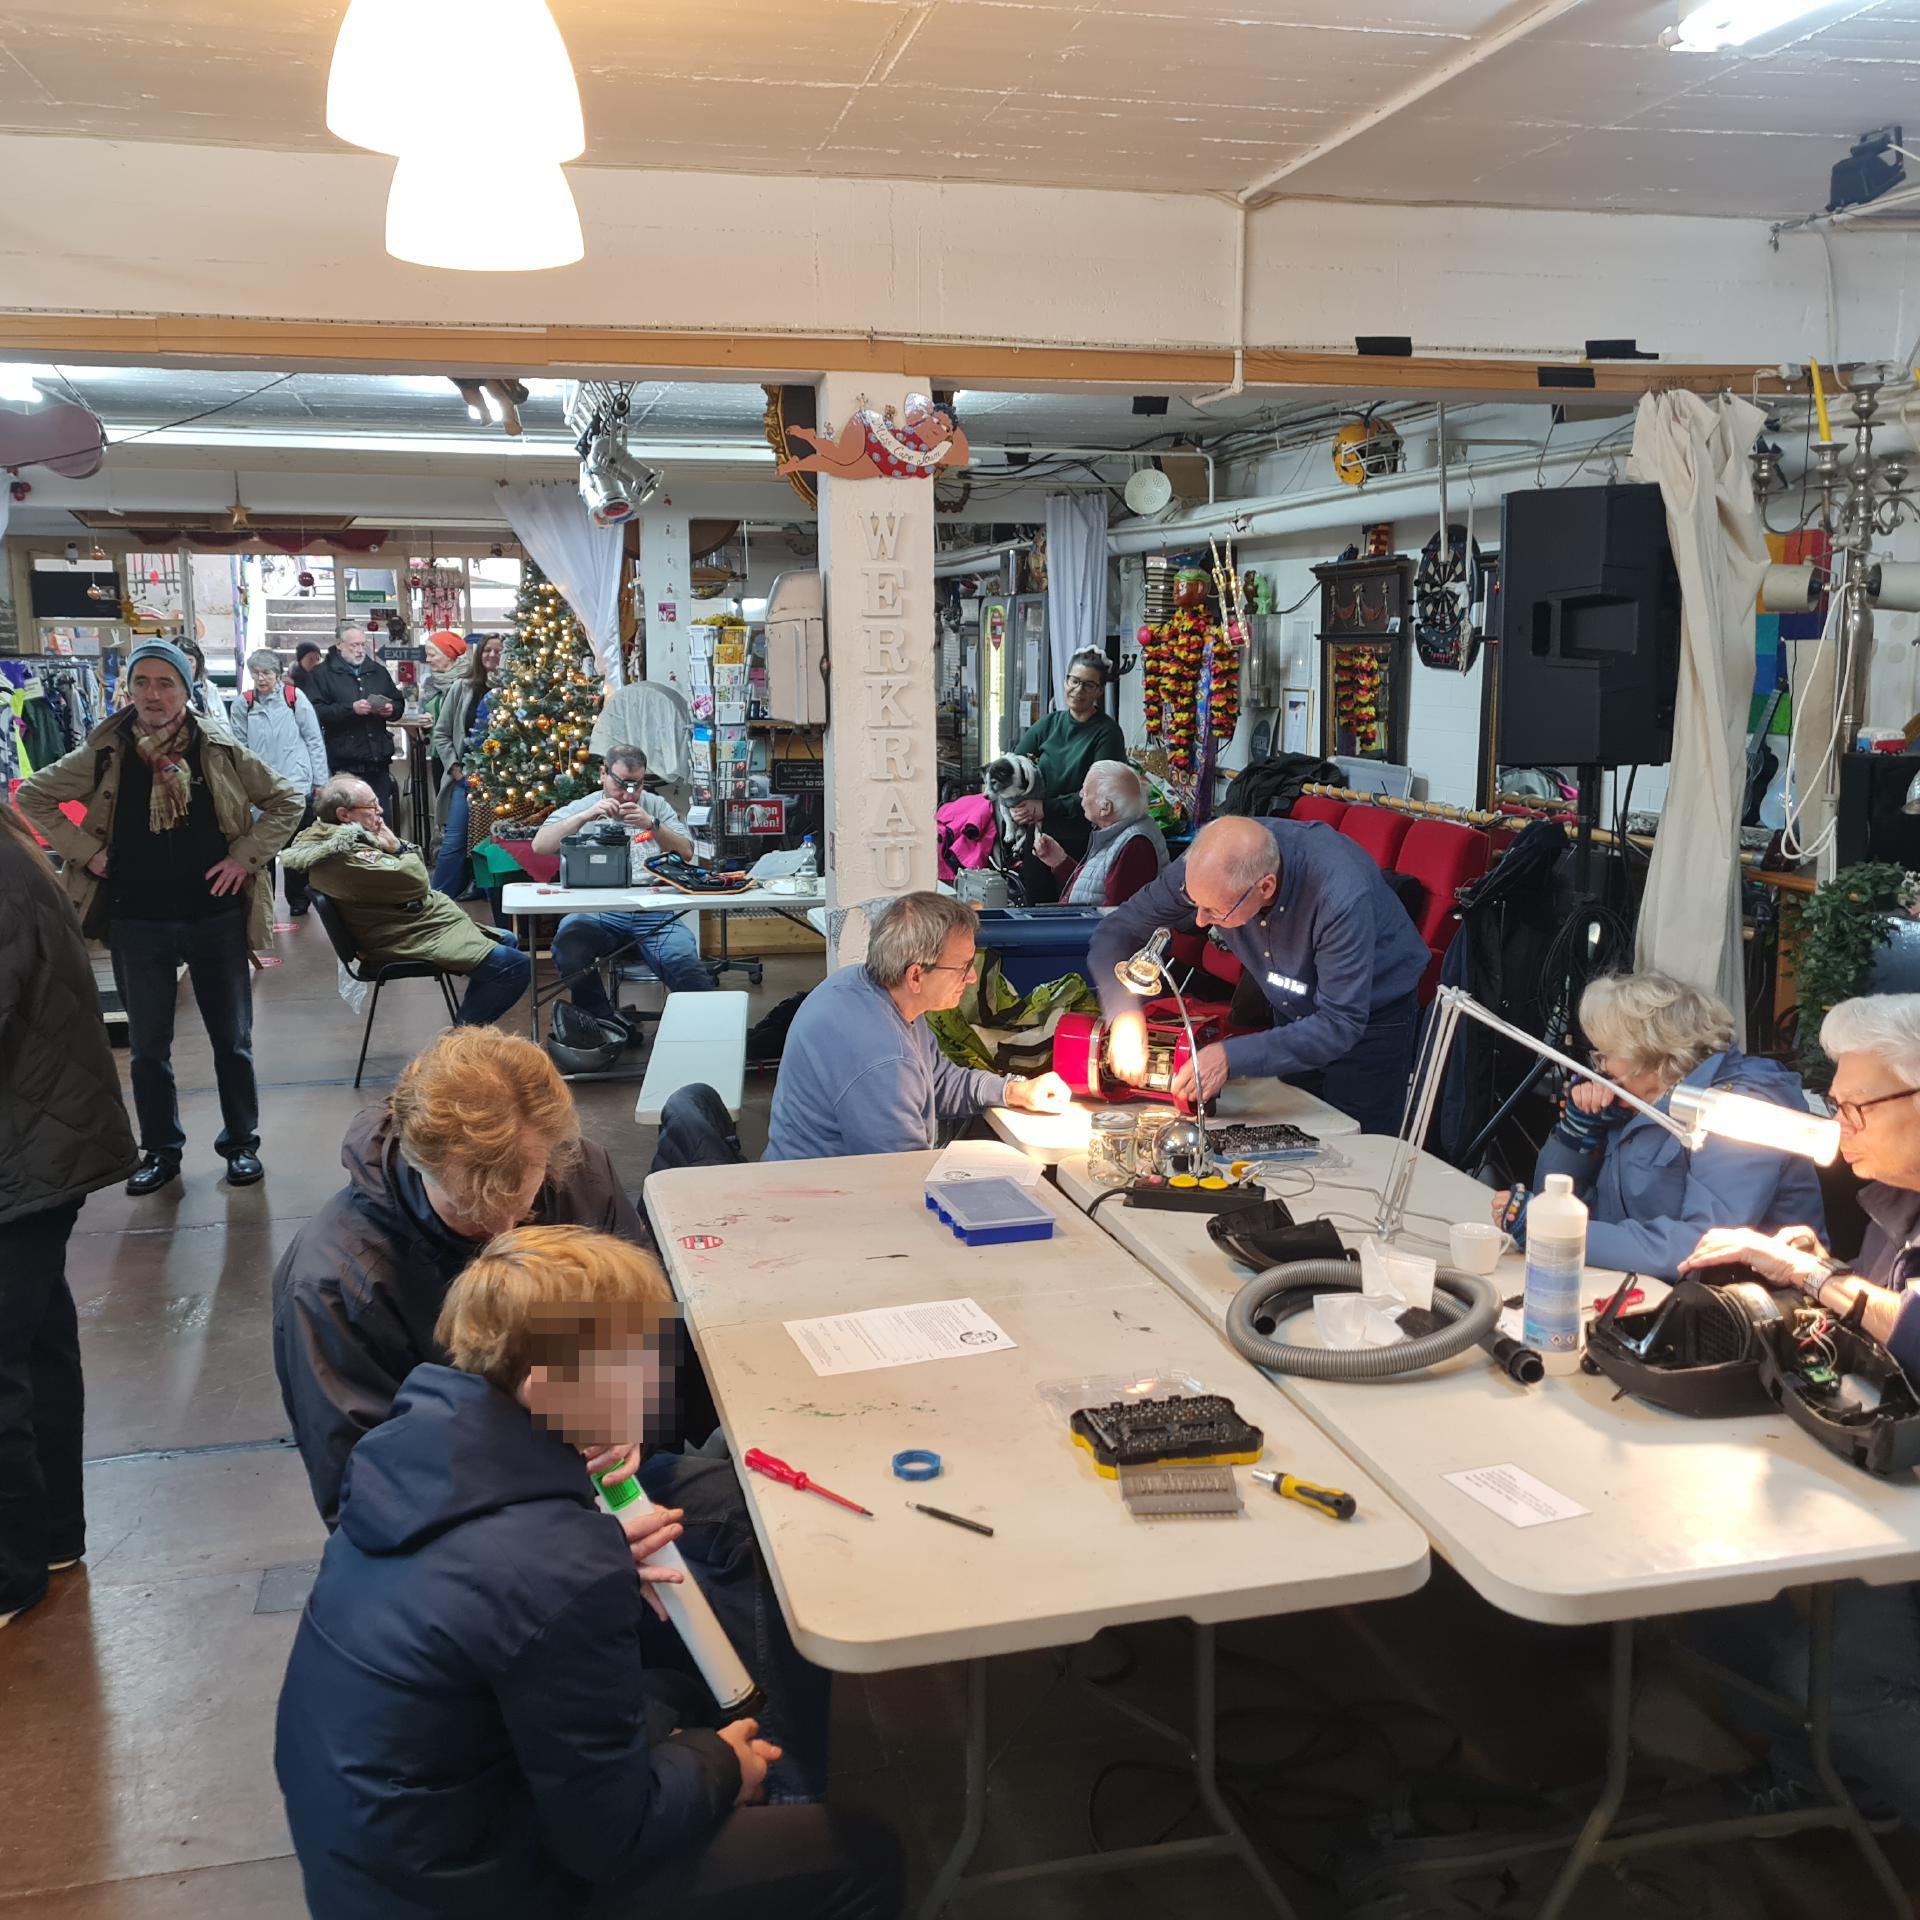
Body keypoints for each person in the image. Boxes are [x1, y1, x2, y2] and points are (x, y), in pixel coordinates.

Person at [274, 1224, 902, 1920]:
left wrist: (589, 1567)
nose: (654, 1382)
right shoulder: (558, 1570)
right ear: (547, 1388)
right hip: (462, 1894)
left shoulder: (409, 1452)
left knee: (674, 1693)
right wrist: (724, 1765)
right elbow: (610, 1841)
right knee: (861, 1854)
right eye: (635, 1364)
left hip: (376, 1856)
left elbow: (492, 1604)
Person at [271, 1027, 829, 1795]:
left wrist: (631, 1423)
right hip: (484, 1531)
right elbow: (363, 1503)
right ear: (419, 1158)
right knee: (675, 1577)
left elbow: (646, 1333)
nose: (505, 1234)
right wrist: (581, 1544)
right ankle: (743, 1776)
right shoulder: (335, 1284)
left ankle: (755, 1747)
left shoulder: (574, 1172)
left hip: (592, 1483)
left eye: (524, 1202)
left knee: (755, 1519)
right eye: (473, 1214)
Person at [1679, 991, 1920, 1827]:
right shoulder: (1895, 1198)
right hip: (1880, 1466)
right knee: (1709, 1590)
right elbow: (1886, 1313)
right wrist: (1831, 1270)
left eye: (1857, 1108)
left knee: (1844, 1678)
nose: (1841, 1129)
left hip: (1904, 1503)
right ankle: (1829, 1775)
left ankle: (1864, 1773)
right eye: (1836, 1104)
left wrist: (1814, 1277)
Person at [16, 638, 302, 1196]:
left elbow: (287, 799)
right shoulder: (107, 751)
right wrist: (87, 853)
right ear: (128, 689)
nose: (152, 694)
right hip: (136, 920)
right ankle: (161, 1150)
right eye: (141, 682)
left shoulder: (217, 746)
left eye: (165, 683)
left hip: (214, 917)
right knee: (149, 1048)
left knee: (232, 1040)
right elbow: (33, 795)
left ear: (185, 690)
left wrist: (243, 859)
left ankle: (241, 1144)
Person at [0, 804, 138, 1630]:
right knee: (36, 1344)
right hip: (38, 1147)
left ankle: (10, 1573)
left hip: (26, 1151)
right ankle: (50, 1538)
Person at [1087, 813, 1429, 1134]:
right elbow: (1115, 931)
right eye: (1195, 903)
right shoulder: (1210, 866)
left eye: (1215, 911)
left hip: (1370, 1020)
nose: (1201, 921)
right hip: (1292, 1009)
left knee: (1356, 1145)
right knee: (1294, 1132)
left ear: (1264, 888)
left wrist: (1229, 1057)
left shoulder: (1339, 895)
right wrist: (1123, 1013)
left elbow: (1340, 1023)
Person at [1491, 972, 1825, 1278]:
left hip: (1744, 1303)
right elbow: (1576, 1209)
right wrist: (1577, 1135)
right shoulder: (1641, 1099)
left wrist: (1556, 1231)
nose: (1600, 1067)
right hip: (1643, 1287)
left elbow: (1699, 1246)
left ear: (1646, 1052)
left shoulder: (1738, 1110)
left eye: (1604, 1054)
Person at [766, 892, 1070, 1161]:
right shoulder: (883, 1055)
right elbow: (904, 1173)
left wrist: (1014, 1091)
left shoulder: (867, 987)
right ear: (915, 976)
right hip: (823, 1194)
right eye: (963, 967)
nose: (972, 978)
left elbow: (935, 1081)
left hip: (840, 1177)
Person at [282, 775, 531, 1029]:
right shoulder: (344, 855)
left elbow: (413, 874)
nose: (380, 811)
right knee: (515, 965)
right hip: (399, 937)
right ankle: (461, 1040)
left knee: (505, 941)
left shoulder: (344, 840)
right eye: (372, 806)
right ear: (344, 815)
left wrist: (397, 850)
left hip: (407, 925)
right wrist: (397, 849)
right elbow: (417, 881)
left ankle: (470, 1030)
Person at [532, 746, 713, 1026]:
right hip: (597, 909)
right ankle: (603, 1023)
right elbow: (540, 845)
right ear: (603, 773)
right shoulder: (587, 805)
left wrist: (652, 825)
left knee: (685, 965)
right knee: (569, 948)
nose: (628, 794)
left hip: (653, 911)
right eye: (620, 784)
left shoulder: (655, 806)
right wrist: (584, 817)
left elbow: (686, 852)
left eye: (636, 785)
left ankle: (702, 1033)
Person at [230, 648, 329, 919]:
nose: (261, 678)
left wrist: (320, 780)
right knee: (263, 846)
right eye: (256, 673)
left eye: (266, 673)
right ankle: (266, 900)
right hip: (261, 787)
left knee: (297, 845)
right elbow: (238, 747)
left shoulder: (294, 698)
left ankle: (299, 898)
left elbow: (313, 739)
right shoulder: (243, 704)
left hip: (296, 783)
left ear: (277, 674)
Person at [1007, 648, 1127, 869]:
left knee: (1072, 891)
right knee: (1033, 891)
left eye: (1088, 685)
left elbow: (1102, 793)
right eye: (1074, 681)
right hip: (1038, 837)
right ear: (1065, 682)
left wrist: (1045, 807)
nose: (1078, 690)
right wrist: (1016, 805)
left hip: (1081, 839)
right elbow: (1012, 766)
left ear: (1099, 691)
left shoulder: (1107, 733)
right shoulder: (1049, 724)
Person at [1032, 760, 1167, 907]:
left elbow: (1115, 914)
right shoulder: (1117, 832)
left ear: (1105, 807)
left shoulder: (1135, 845)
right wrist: (1060, 861)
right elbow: (1095, 889)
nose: (1081, 796)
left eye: (1085, 792)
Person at [429, 632, 502, 898]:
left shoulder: (514, 690)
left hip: (502, 782)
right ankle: (438, 898)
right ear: (478, 654)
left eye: (498, 651)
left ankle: (484, 891)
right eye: (487, 650)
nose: (492, 655)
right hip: (468, 778)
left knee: (493, 840)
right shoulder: (463, 687)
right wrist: (455, 769)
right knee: (455, 841)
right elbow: (441, 733)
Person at [307, 624, 404, 819]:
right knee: (348, 820)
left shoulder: (377, 671)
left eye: (362, 644)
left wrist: (391, 709)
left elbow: (398, 702)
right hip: (344, 763)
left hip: (377, 762)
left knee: (378, 818)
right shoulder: (322, 674)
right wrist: (351, 709)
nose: (360, 650)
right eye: (354, 645)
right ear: (339, 645)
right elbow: (315, 712)